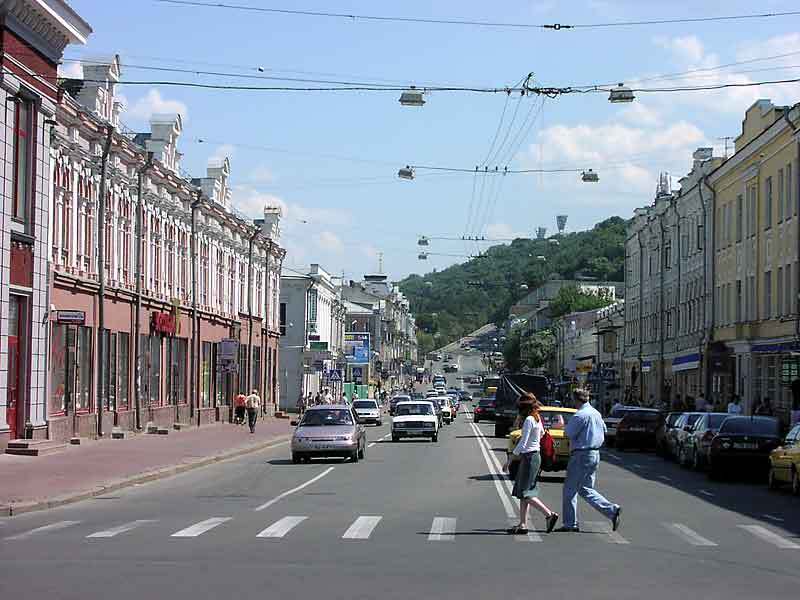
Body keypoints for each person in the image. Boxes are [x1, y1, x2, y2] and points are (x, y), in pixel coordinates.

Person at [556, 388, 622, 533]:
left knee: (570, 490)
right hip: (594, 454)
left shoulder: (580, 415)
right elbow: (604, 431)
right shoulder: (596, 413)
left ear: (577, 400)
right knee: (586, 489)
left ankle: (570, 523)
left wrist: (562, 426)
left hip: (581, 454)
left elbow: (568, 433)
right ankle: (612, 510)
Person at [503, 395, 559, 535]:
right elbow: (540, 435)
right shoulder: (537, 418)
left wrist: (510, 459)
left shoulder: (529, 419)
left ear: (524, 408)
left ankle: (549, 514)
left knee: (525, 493)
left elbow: (523, 442)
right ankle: (523, 525)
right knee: (525, 492)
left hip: (529, 457)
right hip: (534, 456)